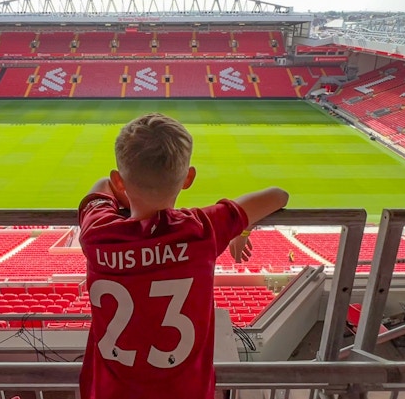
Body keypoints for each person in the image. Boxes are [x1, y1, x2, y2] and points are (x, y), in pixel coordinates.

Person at [78, 113, 289, 399]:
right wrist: (242, 229)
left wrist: (123, 190)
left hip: (110, 392)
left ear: (120, 181)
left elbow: (100, 187)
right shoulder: (204, 228)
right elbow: (278, 195)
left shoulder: (98, 232)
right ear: (188, 178)